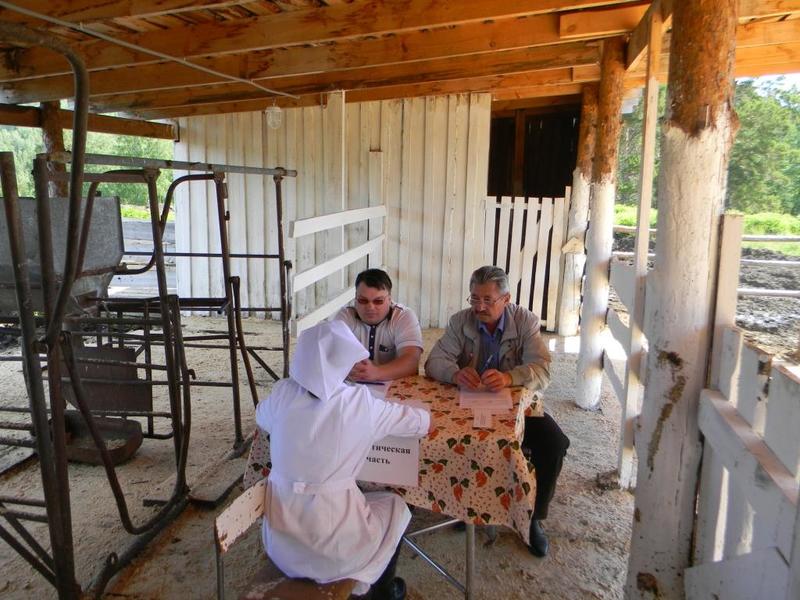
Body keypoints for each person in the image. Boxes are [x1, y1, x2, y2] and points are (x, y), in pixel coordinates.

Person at [256, 321, 431, 599]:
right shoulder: (359, 402)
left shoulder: (282, 394)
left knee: (350, 500)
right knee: (397, 505)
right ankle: (379, 590)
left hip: (282, 547)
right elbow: (420, 423)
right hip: (337, 551)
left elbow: (261, 417)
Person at [424, 265, 570, 557]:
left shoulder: (525, 321)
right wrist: (455, 374)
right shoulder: (460, 321)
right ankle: (464, 505)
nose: (479, 307)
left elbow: (542, 371)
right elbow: (433, 362)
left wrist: (508, 378)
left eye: (488, 300)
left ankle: (533, 517)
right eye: (474, 298)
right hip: (468, 404)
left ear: (506, 299)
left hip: (515, 408)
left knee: (555, 444)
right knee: (451, 439)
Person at [334, 268, 423, 382]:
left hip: (394, 386)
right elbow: (331, 355)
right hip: (354, 386)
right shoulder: (346, 316)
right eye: (363, 300)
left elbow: (411, 362)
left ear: (389, 299)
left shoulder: (403, 316)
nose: (370, 307)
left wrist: (376, 373)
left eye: (378, 301)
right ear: (355, 298)